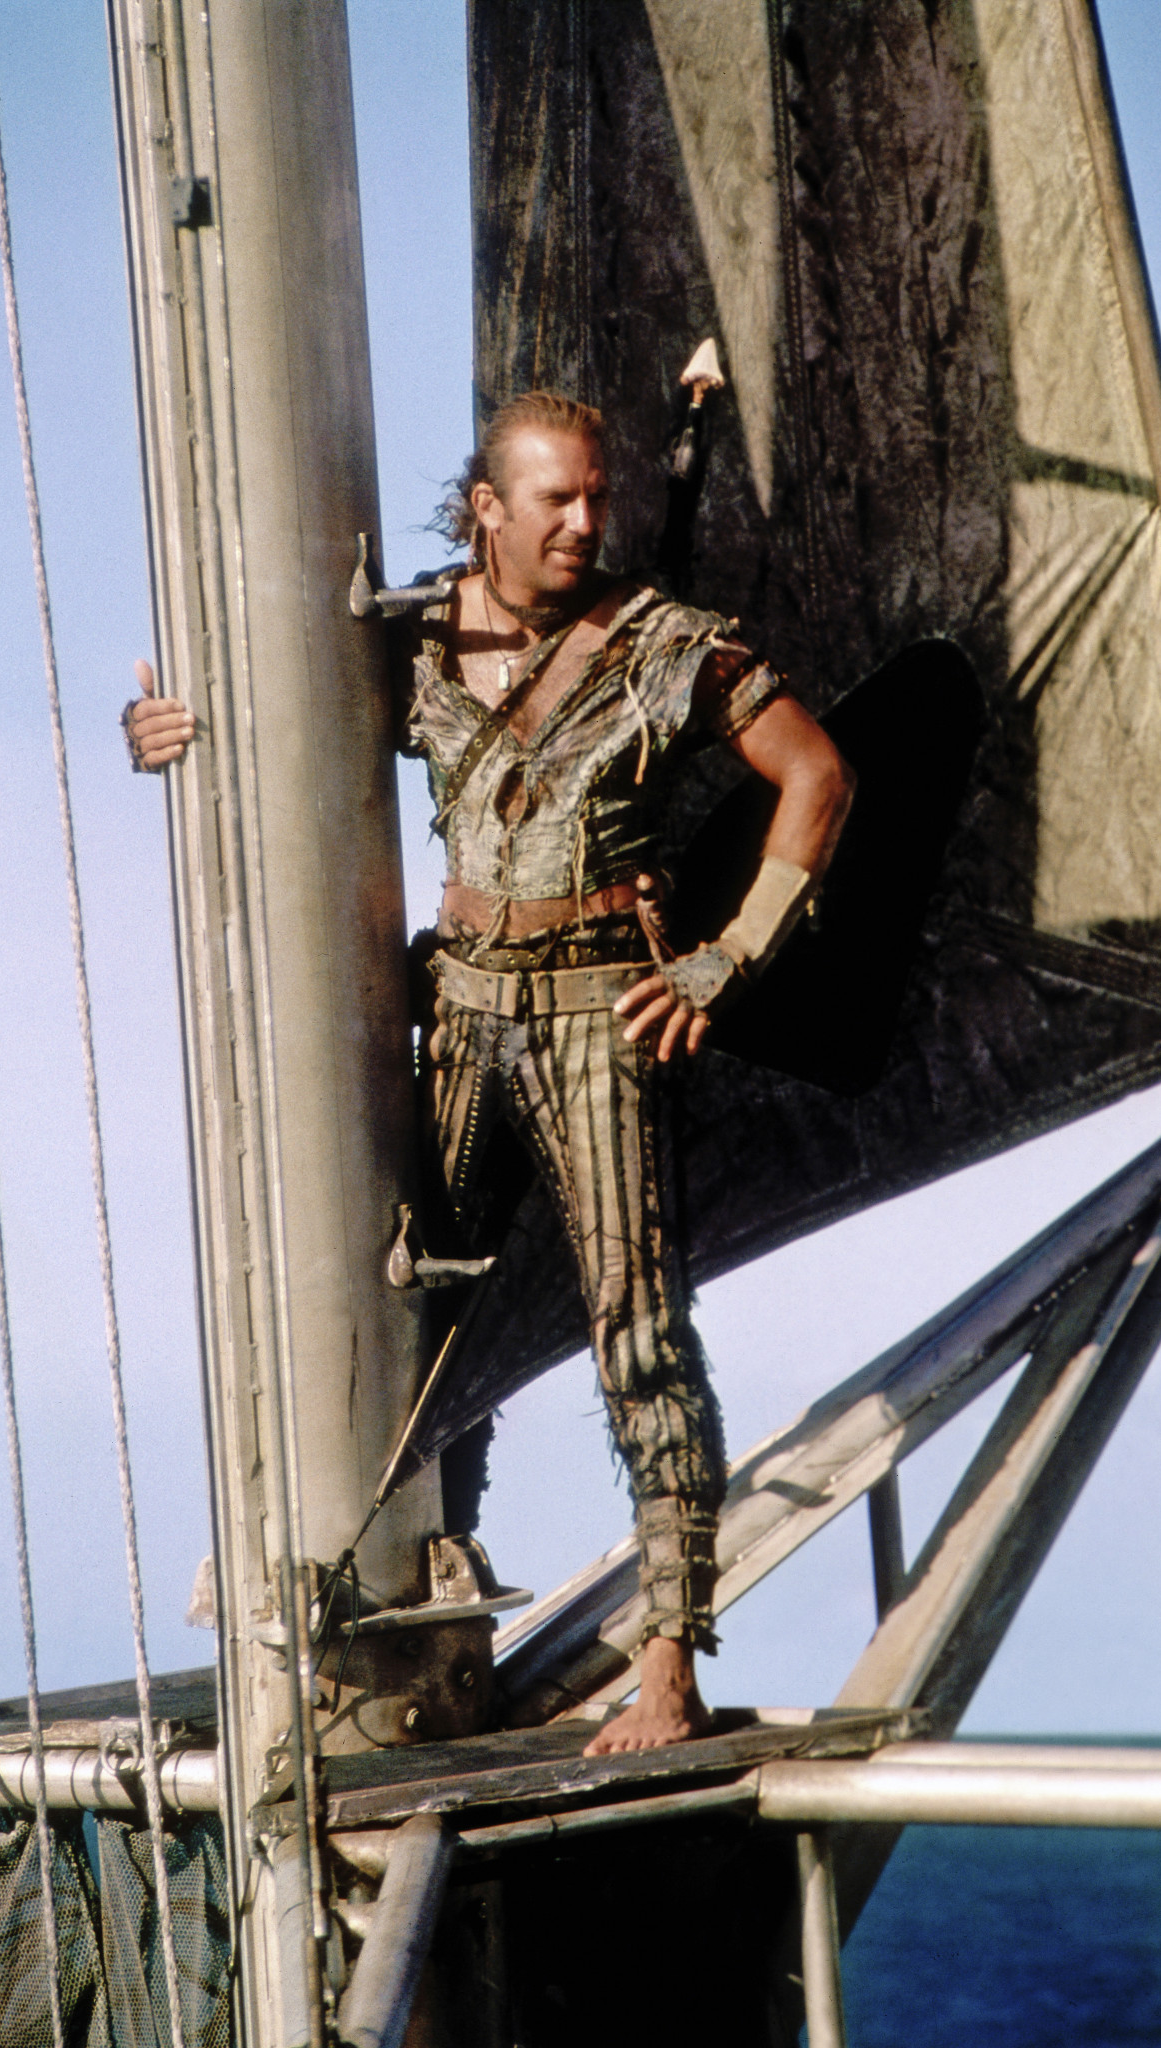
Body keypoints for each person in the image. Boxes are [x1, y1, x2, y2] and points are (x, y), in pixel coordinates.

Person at [126, 390, 853, 1753]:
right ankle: (431, 1623)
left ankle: (670, 1662)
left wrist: (727, 960)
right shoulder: (406, 640)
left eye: (597, 497)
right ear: (488, 509)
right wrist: (160, 726)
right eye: (556, 500)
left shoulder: (663, 647)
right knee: (428, 1321)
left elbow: (818, 775)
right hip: (459, 1014)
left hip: (599, 1015)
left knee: (639, 1332)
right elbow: (251, 714)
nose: (585, 522)